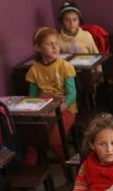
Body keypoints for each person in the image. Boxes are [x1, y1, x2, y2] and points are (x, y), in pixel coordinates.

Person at [27, 27, 77, 162]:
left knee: (55, 142)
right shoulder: (34, 70)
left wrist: (57, 111)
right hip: (44, 110)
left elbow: (72, 95)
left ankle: (69, 174)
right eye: (49, 44)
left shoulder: (65, 66)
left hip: (65, 110)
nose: (55, 47)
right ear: (38, 48)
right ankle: (30, 178)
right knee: (31, 141)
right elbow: (32, 98)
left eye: (56, 43)